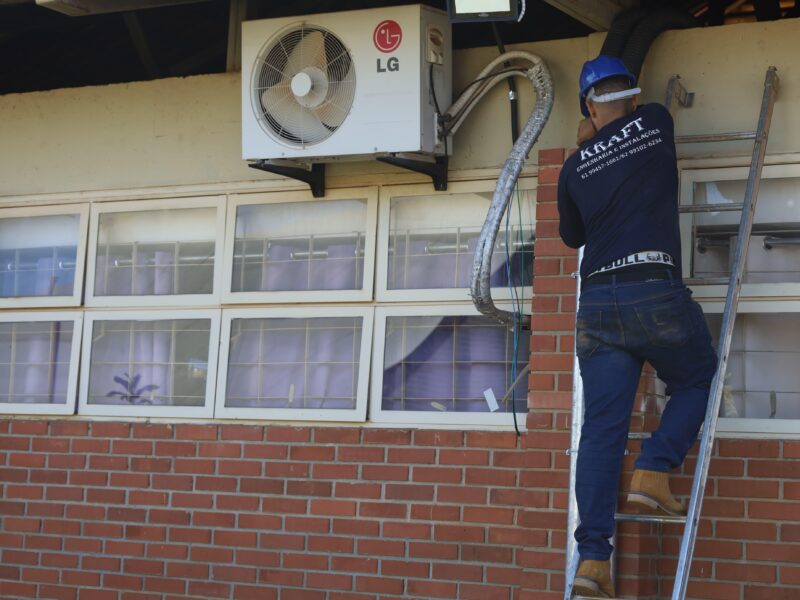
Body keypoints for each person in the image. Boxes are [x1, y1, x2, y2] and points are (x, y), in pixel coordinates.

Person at [557, 55, 718, 598]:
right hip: (654, 287)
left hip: (599, 302)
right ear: (632, 95)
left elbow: (572, 238)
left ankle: (593, 562)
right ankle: (654, 467)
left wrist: (586, 142)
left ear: (587, 105)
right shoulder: (655, 123)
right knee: (697, 375)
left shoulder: (573, 169)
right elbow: (626, 118)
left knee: (601, 432)